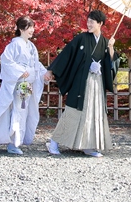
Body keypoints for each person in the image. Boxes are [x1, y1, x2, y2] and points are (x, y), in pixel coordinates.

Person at [43, 9, 119, 157]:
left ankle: (88, 145)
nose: (88, 24)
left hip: (97, 83)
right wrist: (51, 70)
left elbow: (112, 64)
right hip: (81, 82)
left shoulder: (105, 42)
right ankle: (54, 142)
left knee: (94, 112)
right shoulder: (82, 38)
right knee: (73, 112)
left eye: (92, 22)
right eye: (88, 21)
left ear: (100, 23)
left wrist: (111, 48)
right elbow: (67, 54)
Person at [0, 16, 47, 155]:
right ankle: (11, 143)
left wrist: (45, 73)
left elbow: (36, 65)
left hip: (26, 84)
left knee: (22, 111)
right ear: (21, 29)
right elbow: (6, 61)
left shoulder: (31, 46)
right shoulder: (14, 45)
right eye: (29, 27)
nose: (32, 30)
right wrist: (21, 71)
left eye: (33, 27)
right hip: (18, 83)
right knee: (16, 111)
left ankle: (13, 141)